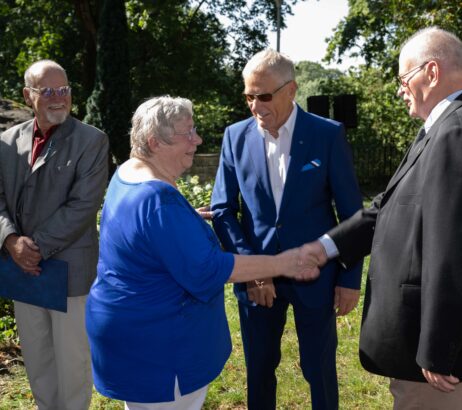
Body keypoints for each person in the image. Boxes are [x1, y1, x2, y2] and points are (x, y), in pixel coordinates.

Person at [301, 27, 462, 409]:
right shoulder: (453, 125)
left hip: (443, 364)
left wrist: (440, 347)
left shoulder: (459, 132)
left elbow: (460, 251)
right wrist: (326, 247)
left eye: (402, 78)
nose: (399, 89)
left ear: (431, 72)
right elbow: (390, 204)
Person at [85, 96, 319, 410]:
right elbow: (207, 270)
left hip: (133, 340)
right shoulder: (159, 202)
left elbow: (144, 234)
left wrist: (186, 219)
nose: (198, 140)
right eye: (188, 133)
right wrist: (282, 263)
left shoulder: (127, 174)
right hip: (162, 352)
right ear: (155, 142)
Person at [210, 49, 363, 410]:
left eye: (263, 96)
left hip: (318, 276)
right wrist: (253, 272)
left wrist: (349, 278)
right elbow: (223, 210)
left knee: (319, 368)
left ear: (291, 90)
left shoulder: (326, 134)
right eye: (248, 96)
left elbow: (353, 215)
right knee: (259, 369)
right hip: (257, 281)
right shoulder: (235, 137)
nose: (254, 105)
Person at [0, 60, 109, 410]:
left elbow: (83, 205)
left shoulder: (92, 140)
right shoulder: (5, 142)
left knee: (73, 363)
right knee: (38, 359)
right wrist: (10, 242)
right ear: (28, 96)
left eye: (64, 90)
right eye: (48, 91)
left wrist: (35, 248)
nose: (59, 98)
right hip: (21, 267)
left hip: (69, 271)